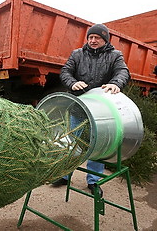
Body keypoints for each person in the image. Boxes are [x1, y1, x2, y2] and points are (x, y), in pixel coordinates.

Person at [52, 24, 130, 197]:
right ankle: (65, 175)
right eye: (90, 37)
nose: (93, 41)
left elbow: (123, 72)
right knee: (73, 142)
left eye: (97, 38)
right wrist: (72, 82)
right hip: (78, 107)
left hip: (102, 112)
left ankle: (93, 181)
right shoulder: (77, 54)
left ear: (105, 40)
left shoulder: (115, 56)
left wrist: (115, 83)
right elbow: (65, 71)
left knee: (98, 145)